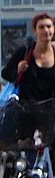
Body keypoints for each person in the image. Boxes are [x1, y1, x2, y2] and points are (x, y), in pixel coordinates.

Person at [8, 11, 55, 150]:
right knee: (29, 156)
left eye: (49, 26)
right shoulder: (25, 52)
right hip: (28, 113)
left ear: (53, 29)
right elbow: (6, 73)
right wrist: (18, 70)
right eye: (41, 27)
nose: (46, 30)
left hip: (51, 114)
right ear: (35, 31)